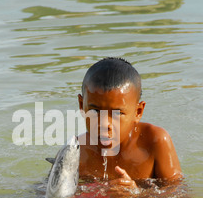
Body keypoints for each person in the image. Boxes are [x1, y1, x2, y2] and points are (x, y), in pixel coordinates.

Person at [77, 57, 182, 190]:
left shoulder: (155, 141)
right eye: (95, 111)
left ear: (138, 112)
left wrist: (136, 194)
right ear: (81, 105)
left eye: (117, 113)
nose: (104, 123)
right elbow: (48, 195)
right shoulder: (76, 151)